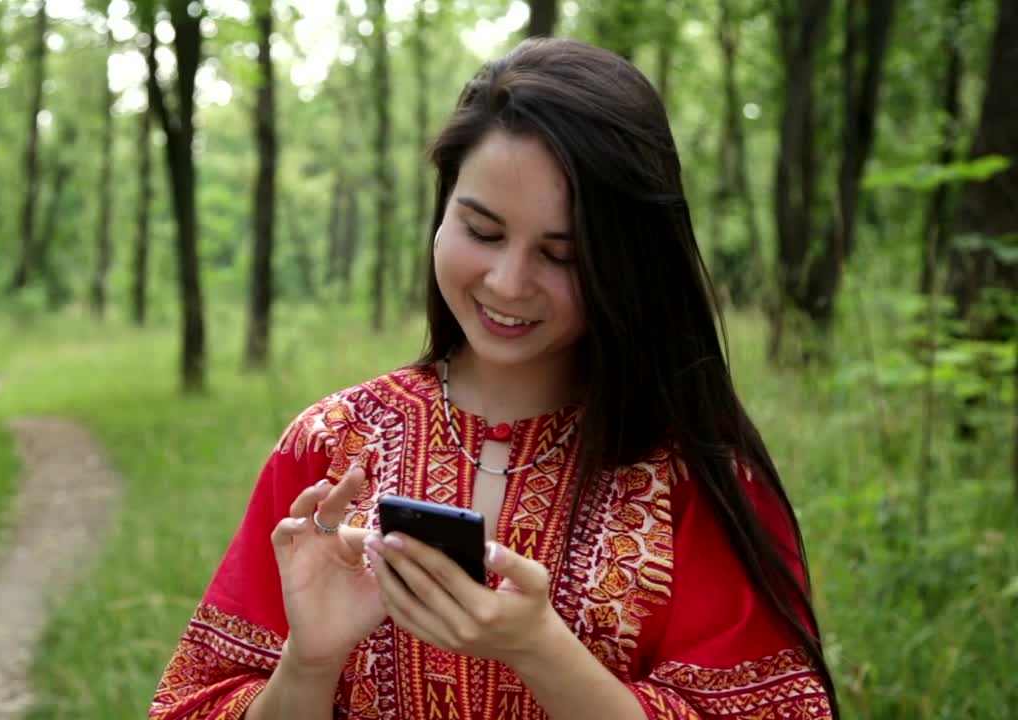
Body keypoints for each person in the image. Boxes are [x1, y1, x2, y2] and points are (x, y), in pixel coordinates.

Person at [147, 38, 839, 720]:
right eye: (482, 231)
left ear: (627, 264)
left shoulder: (693, 476)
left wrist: (539, 649)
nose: (508, 283)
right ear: (444, 209)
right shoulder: (329, 447)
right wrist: (310, 661)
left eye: (562, 255)